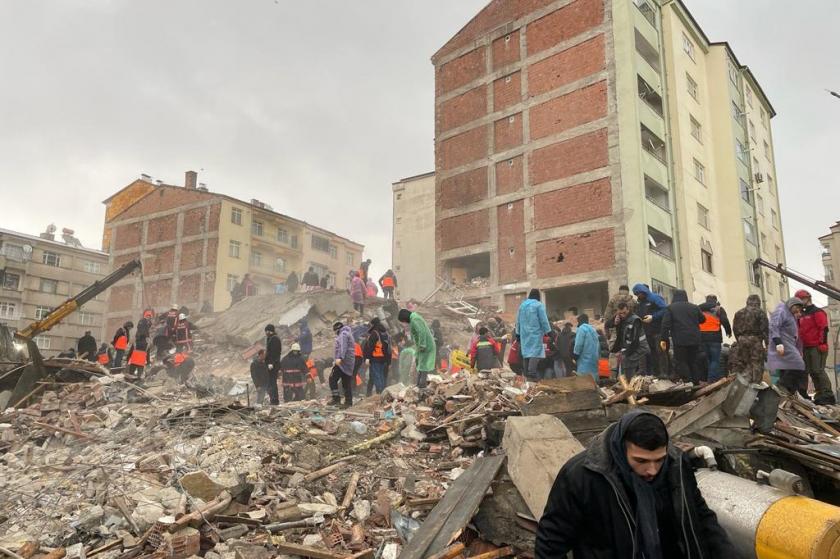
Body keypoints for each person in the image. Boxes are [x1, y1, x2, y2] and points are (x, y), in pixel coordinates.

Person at [536, 410, 736, 558]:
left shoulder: (676, 465)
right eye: (641, 461)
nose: (652, 470)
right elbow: (550, 543)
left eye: (659, 460)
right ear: (621, 449)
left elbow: (701, 518)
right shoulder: (583, 476)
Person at [795, 289, 836, 405]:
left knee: (818, 371)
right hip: (806, 347)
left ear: (807, 298)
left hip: (817, 346)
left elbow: (823, 328)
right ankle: (820, 394)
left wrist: (822, 343)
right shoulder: (802, 314)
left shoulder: (817, 312)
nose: (800, 302)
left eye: (801, 299)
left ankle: (827, 395)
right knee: (812, 372)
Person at [661, 290, 706, 384]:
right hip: (695, 339)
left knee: (682, 361)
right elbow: (703, 319)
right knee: (693, 361)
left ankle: (687, 381)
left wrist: (664, 338)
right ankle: (696, 382)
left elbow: (665, 325)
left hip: (680, 340)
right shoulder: (694, 307)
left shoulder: (670, 308)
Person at [768, 297, 807, 397]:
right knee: (797, 365)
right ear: (792, 305)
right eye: (797, 308)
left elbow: (796, 335)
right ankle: (783, 386)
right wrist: (778, 342)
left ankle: (789, 392)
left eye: (799, 310)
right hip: (783, 343)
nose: (798, 311)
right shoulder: (782, 311)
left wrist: (799, 350)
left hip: (789, 344)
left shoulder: (791, 316)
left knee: (789, 367)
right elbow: (774, 326)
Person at [730, 294, 770, 384]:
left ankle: (743, 385)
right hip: (755, 340)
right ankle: (755, 385)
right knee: (756, 363)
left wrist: (739, 339)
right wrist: (767, 344)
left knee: (744, 364)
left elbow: (735, 329)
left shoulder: (738, 313)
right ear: (758, 303)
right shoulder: (760, 312)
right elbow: (765, 329)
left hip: (741, 340)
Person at [516, 289, 552, 380]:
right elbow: (543, 320)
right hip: (535, 333)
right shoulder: (538, 305)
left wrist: (517, 333)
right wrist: (549, 331)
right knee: (534, 353)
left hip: (524, 334)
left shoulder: (522, 306)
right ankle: (532, 373)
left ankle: (526, 374)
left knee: (526, 353)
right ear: (538, 296)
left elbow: (518, 321)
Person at [632, 284, 668, 376]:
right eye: (636, 295)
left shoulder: (655, 298)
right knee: (652, 353)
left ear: (643, 291)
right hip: (646, 332)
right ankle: (655, 373)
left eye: (639, 294)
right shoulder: (640, 303)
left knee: (660, 352)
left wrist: (653, 317)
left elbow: (665, 309)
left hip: (658, 331)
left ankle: (664, 373)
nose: (638, 296)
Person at [698, 295, 733, 383]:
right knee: (715, 360)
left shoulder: (699, 308)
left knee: (708, 359)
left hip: (701, 337)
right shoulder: (718, 309)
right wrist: (728, 332)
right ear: (715, 300)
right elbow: (724, 320)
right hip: (715, 337)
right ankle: (711, 380)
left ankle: (711, 378)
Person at [398, 309, 436, 388]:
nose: (404, 324)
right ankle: (419, 384)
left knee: (423, 365)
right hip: (422, 345)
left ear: (405, 318)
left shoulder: (415, 319)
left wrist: (422, 345)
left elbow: (421, 332)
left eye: (403, 322)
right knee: (420, 364)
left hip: (425, 345)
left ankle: (421, 386)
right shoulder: (414, 318)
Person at [612, 302, 650, 379]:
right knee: (625, 362)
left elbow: (634, 342)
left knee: (627, 362)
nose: (623, 315)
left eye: (624, 313)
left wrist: (625, 353)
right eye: (620, 313)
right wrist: (616, 323)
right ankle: (627, 382)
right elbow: (609, 325)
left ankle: (630, 383)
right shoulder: (622, 319)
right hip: (631, 348)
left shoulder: (635, 320)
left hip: (640, 347)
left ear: (628, 310)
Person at [330, 321, 356, 407]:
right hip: (349, 362)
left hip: (342, 362)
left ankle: (336, 399)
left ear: (337, 329)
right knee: (346, 382)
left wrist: (340, 358)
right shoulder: (348, 333)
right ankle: (348, 402)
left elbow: (343, 347)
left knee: (332, 379)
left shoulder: (343, 334)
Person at [364, 318, 391, 394]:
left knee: (376, 375)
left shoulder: (375, 333)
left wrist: (368, 358)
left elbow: (371, 346)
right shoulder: (386, 333)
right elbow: (389, 349)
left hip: (375, 358)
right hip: (384, 359)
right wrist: (389, 362)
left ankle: (380, 392)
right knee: (381, 375)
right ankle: (383, 392)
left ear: (373, 324)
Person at [573, 314, 600, 381]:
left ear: (579, 321)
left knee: (584, 383)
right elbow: (598, 345)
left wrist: (575, 356)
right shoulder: (593, 329)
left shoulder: (581, 329)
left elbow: (578, 344)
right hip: (594, 360)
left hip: (584, 362)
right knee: (594, 382)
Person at [263, 324, 282, 405]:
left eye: (267, 331)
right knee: (270, 383)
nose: (266, 333)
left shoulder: (275, 339)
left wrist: (271, 363)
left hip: (273, 365)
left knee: (272, 382)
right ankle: (272, 399)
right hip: (270, 365)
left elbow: (275, 353)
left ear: (270, 331)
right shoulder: (270, 338)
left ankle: (274, 400)